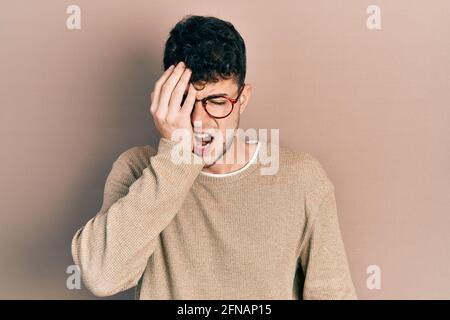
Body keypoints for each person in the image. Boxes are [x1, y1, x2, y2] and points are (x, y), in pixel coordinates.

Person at [71, 15, 357, 300]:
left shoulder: (301, 179)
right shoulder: (138, 169)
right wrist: (176, 156)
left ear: (242, 99)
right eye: (184, 100)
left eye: (217, 102)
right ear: (165, 100)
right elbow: (101, 276)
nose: (199, 121)